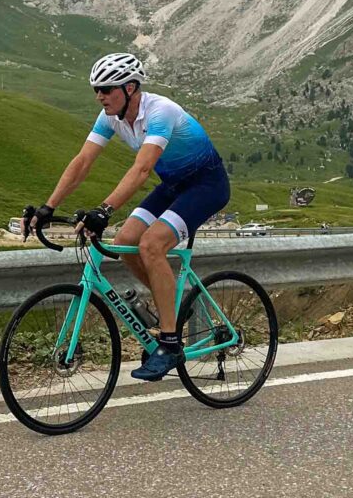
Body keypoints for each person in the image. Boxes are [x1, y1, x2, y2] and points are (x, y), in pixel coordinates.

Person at [23, 52, 230, 381]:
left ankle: (171, 342)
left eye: (106, 89)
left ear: (130, 88)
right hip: (174, 185)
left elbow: (142, 169)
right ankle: (169, 314)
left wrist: (105, 211)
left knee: (151, 245)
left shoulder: (160, 111)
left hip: (206, 185)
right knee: (124, 242)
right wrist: (48, 206)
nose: (99, 96)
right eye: (96, 89)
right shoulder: (109, 117)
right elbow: (82, 162)